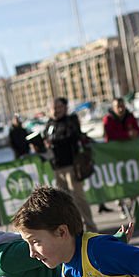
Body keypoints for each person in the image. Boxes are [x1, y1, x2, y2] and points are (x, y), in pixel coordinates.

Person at [44, 97, 97, 231]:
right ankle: (74, 230)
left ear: (65, 108)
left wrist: (54, 142)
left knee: (78, 198)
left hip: (71, 165)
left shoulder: (70, 121)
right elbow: (46, 140)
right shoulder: (49, 124)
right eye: (53, 108)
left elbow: (72, 136)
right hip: (56, 167)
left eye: (59, 107)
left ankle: (90, 227)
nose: (56, 111)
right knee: (63, 202)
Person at [101, 97, 139, 215]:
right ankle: (121, 205)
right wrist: (127, 135)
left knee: (133, 180)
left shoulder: (130, 116)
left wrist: (135, 133)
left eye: (122, 106)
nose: (120, 109)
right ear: (113, 108)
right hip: (114, 157)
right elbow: (111, 135)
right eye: (117, 107)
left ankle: (132, 206)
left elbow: (138, 130)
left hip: (130, 155)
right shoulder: (108, 119)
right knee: (118, 182)